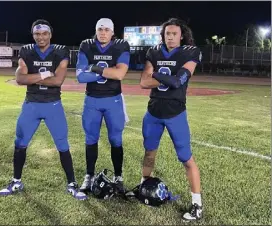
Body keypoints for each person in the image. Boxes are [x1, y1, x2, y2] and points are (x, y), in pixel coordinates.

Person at [0, 19, 87, 200]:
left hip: (53, 105)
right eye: (37, 34)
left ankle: (71, 184)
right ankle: (16, 181)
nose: (41, 37)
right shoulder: (27, 51)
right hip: (31, 104)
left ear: (50, 35)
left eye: (44, 33)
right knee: (20, 142)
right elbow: (20, 80)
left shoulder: (60, 51)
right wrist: (45, 73)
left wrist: (32, 77)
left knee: (62, 145)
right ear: (33, 35)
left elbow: (57, 81)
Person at [139, 18, 203, 221]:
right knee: (149, 153)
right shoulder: (154, 52)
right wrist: (160, 77)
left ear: (181, 35)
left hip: (176, 113)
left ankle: (197, 204)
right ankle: (143, 186)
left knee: (186, 158)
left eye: (174, 33)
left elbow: (178, 81)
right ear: (163, 35)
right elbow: (143, 82)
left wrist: (156, 73)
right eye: (167, 33)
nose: (171, 37)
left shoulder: (190, 52)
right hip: (153, 112)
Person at [75, 18, 130, 194]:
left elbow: (120, 74)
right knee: (91, 139)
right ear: (96, 30)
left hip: (113, 100)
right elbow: (80, 77)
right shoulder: (86, 45)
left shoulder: (121, 45)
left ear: (113, 32)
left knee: (116, 139)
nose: (103, 32)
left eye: (107, 29)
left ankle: (119, 176)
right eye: (100, 29)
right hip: (92, 100)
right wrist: (108, 72)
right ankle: (89, 175)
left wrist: (93, 68)